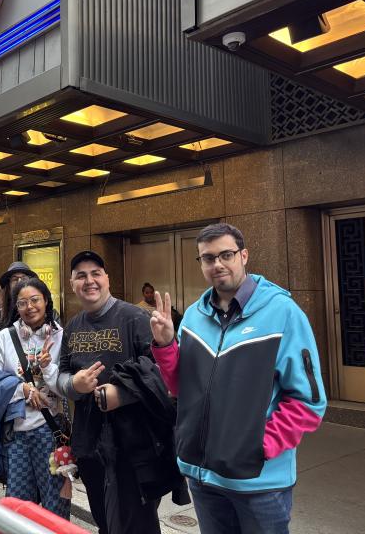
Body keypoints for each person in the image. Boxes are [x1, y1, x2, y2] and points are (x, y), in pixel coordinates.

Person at [150, 223, 327, 534]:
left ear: (244, 255)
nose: (217, 264)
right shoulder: (193, 316)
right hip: (202, 476)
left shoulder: (283, 312)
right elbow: (181, 387)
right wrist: (166, 345)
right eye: (207, 258)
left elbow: (309, 402)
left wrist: (258, 447)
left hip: (258, 483)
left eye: (226, 255)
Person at [58, 251, 182, 534]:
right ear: (72, 284)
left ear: (107, 279)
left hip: (134, 447)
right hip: (90, 445)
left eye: (96, 273)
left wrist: (120, 393)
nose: (89, 281)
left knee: (138, 524)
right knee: (104, 520)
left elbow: (161, 373)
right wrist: (73, 385)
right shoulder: (73, 326)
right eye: (81, 276)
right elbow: (62, 374)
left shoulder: (135, 317)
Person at [0, 277, 70, 519]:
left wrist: (49, 368)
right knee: (18, 504)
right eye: (22, 303)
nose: (29, 307)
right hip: (16, 433)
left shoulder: (63, 336)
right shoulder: (5, 338)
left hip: (51, 434)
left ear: (46, 301)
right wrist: (23, 391)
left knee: (56, 503)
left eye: (35, 300)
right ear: (15, 307)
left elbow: (67, 387)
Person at [0, 261, 37, 330]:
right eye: (15, 279)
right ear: (8, 286)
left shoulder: (45, 313)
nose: (19, 282)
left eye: (24, 278)